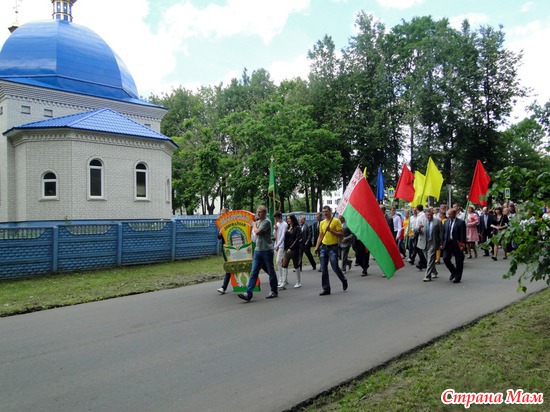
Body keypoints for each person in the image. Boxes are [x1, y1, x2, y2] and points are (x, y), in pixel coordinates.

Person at [238, 205, 279, 302]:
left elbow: (257, 232)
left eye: (260, 212)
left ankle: (274, 290)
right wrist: (255, 224)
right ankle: (248, 293)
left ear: (265, 213)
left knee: (271, 271)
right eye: (257, 212)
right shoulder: (259, 222)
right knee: (254, 272)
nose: (258, 214)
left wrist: (253, 224)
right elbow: (254, 235)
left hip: (267, 250)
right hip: (258, 250)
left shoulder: (267, 222)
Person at [314, 206, 348, 296]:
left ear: (330, 211)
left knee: (335, 267)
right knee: (324, 269)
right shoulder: (322, 223)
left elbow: (341, 234)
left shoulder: (336, 221)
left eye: (326, 211)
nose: (325, 213)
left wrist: (331, 231)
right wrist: (317, 247)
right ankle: (326, 288)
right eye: (323, 212)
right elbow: (320, 235)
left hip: (333, 247)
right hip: (323, 247)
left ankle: (344, 280)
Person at [416, 210, 443, 282]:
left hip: (433, 242)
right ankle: (434, 271)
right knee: (429, 260)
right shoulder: (421, 220)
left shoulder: (438, 221)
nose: (429, 217)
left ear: (432, 214)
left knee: (430, 259)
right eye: (427, 215)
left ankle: (427, 276)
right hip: (423, 242)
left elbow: (441, 233)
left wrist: (441, 243)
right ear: (425, 215)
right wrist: (419, 228)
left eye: (430, 215)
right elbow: (415, 231)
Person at [442, 208, 467, 283]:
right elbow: (444, 233)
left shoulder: (461, 222)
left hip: (457, 243)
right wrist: (442, 243)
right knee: (445, 258)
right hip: (448, 243)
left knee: (458, 261)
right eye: (448, 214)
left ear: (455, 214)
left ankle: (457, 277)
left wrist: (462, 245)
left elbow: (463, 235)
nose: (449, 215)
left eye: (451, 214)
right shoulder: (446, 222)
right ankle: (453, 271)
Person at [280, 214, 302, 289]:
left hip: (294, 249)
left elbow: (297, 239)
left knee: (296, 265)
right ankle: (284, 282)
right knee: (284, 264)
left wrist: (291, 248)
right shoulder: (288, 227)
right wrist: (285, 249)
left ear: (293, 219)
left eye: (289, 218)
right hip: (287, 249)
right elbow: (285, 240)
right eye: (287, 219)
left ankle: (298, 282)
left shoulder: (297, 228)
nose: (288, 220)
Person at [217, 208, 232, 294]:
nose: (221, 215)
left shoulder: (232, 223)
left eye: (223, 214)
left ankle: (224, 287)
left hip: (233, 248)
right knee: (229, 267)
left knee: (230, 267)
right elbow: (218, 237)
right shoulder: (221, 225)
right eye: (220, 214)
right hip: (225, 249)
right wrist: (220, 234)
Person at [273, 211, 288, 288]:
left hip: (281, 245)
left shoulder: (285, 224)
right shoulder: (277, 224)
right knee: (279, 263)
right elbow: (274, 235)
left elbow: (283, 236)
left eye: (276, 218)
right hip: (276, 245)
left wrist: (278, 245)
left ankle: (282, 279)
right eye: (275, 218)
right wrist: (275, 229)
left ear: (280, 217)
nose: (276, 220)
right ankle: (282, 279)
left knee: (279, 261)